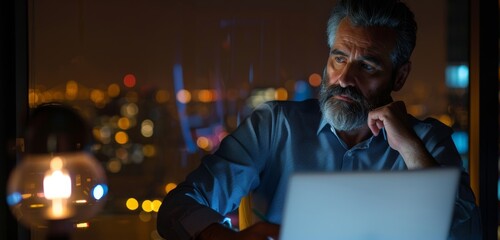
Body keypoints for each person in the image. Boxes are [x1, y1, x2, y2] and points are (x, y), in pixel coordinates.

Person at [157, 0, 482, 239]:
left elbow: (465, 234)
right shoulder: (275, 125)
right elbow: (179, 206)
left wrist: (409, 148)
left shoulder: (426, 142)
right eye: (338, 58)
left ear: (400, 77)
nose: (343, 79)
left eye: (367, 67)